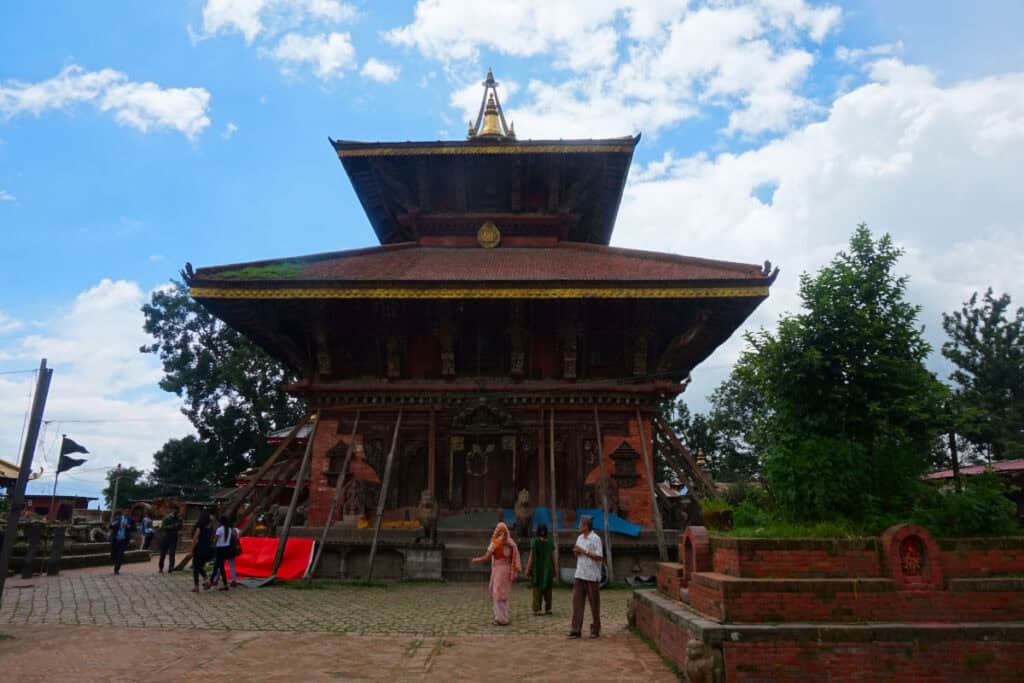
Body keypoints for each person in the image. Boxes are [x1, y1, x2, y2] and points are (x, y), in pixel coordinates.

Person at [470, 521, 521, 626]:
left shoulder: (495, 543)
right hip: (507, 570)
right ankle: (504, 617)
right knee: (504, 594)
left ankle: (500, 619)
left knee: (497, 594)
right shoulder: (512, 544)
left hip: (498, 570)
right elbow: (514, 559)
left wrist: (476, 560)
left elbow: (486, 557)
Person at [568, 514, 603, 639]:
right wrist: (576, 552)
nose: (578, 526)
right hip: (580, 574)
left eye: (580, 524)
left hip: (592, 576)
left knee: (594, 604)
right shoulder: (579, 538)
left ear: (586, 526)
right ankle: (575, 629)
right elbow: (577, 554)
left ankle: (595, 629)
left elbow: (599, 557)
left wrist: (584, 551)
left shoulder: (596, 539)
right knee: (577, 603)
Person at [525, 523, 556, 615]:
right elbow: (553, 558)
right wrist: (556, 570)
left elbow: (531, 557)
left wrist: (527, 568)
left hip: (537, 569)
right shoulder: (550, 542)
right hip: (548, 568)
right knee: (548, 589)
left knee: (537, 589)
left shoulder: (534, 541)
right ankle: (548, 608)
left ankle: (537, 609)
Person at [211, 518, 240, 588]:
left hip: (221, 549)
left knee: (219, 565)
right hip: (229, 550)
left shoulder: (220, 529)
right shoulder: (231, 530)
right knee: (231, 566)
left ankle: (215, 580)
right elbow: (236, 539)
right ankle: (234, 580)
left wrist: (213, 544)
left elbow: (215, 540)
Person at [191, 510, 213, 593]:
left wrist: (192, 550)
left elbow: (195, 539)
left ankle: (196, 586)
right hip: (207, 548)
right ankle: (206, 580)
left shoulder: (199, 526)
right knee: (200, 566)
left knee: (196, 567)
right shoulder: (210, 527)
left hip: (200, 548)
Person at [109, 508, 135, 575]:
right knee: (113, 554)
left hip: (124, 540)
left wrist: (128, 526)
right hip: (116, 539)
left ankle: (116, 569)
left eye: (128, 512)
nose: (127, 513)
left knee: (120, 555)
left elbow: (134, 529)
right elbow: (110, 526)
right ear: (123, 512)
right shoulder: (117, 518)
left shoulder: (131, 520)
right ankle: (114, 562)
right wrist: (114, 524)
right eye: (126, 512)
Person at [158, 508, 182, 573]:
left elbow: (180, 527)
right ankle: (161, 567)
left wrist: (172, 527)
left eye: (177, 511)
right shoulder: (166, 518)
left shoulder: (179, 519)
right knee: (163, 553)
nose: (176, 512)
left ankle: (171, 568)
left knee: (172, 553)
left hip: (173, 537)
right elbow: (163, 527)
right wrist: (173, 526)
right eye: (175, 511)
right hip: (166, 537)